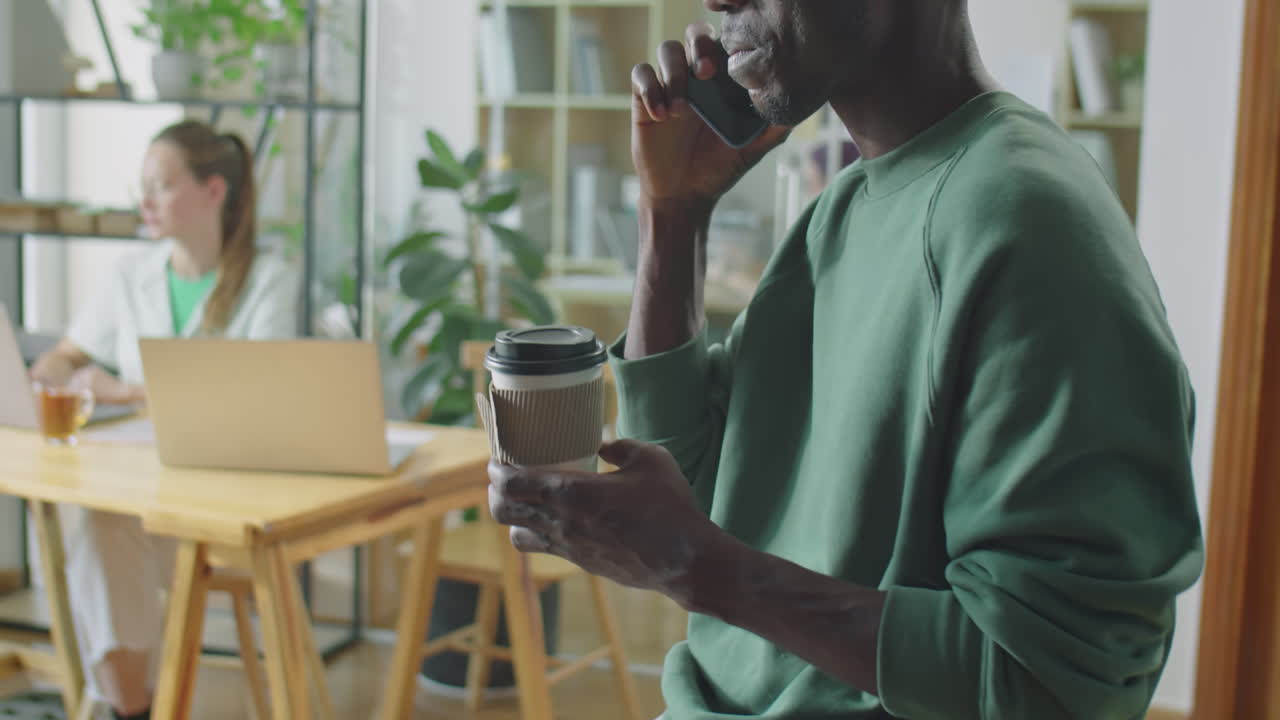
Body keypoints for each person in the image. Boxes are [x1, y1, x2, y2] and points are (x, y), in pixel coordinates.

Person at [487, 1, 1204, 719]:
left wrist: (699, 569)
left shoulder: (1027, 222)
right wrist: (672, 215)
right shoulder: (847, 208)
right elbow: (696, 484)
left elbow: (1059, 684)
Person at [28, 119, 299, 720]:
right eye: (142, 187)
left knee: (97, 538)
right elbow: (68, 353)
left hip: (222, 508)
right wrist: (51, 372)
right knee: (95, 526)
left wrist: (121, 390)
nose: (144, 201)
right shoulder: (131, 275)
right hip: (140, 493)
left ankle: (123, 706)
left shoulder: (268, 281)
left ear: (213, 191)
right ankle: (133, 707)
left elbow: (249, 400)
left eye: (161, 185)